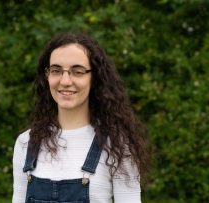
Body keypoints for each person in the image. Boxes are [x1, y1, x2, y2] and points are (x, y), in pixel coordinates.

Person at [12, 33, 150, 203]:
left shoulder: (117, 145)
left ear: (95, 78)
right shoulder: (26, 142)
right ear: (46, 76)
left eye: (77, 72)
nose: (65, 81)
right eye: (56, 70)